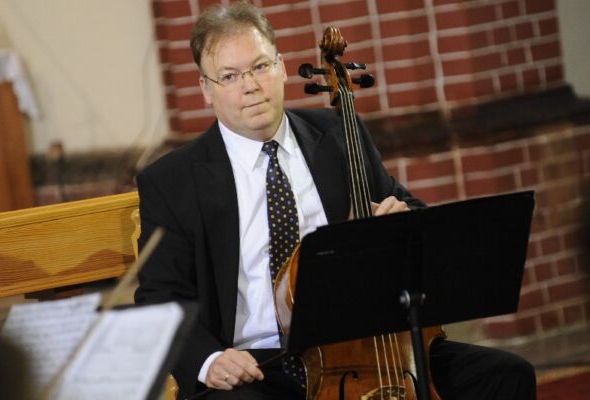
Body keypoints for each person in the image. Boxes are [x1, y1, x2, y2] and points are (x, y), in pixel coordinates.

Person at [134, 2, 536, 399]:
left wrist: (403, 218)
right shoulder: (172, 181)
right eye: (229, 76)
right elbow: (159, 298)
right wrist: (208, 361)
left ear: (282, 67)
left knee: (506, 376)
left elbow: (412, 214)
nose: (250, 85)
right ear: (206, 89)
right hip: (258, 366)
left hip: (365, 348)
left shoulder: (340, 134)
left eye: (260, 66)